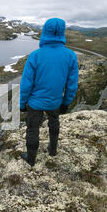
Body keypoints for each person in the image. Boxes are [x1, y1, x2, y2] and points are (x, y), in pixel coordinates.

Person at [19, 18, 78, 166]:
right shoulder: (70, 55)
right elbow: (72, 84)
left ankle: (31, 159)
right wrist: (66, 103)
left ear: (45, 31)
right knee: (54, 123)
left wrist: (22, 103)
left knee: (32, 129)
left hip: (35, 103)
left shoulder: (35, 55)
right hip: (55, 101)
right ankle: (53, 150)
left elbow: (26, 84)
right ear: (62, 32)